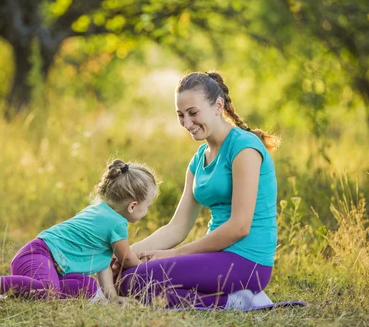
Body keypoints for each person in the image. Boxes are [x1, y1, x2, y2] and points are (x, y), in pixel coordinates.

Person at [115, 71, 280, 310]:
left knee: (135, 281)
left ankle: (237, 300)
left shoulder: (244, 147)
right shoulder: (198, 160)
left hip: (248, 261)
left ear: (218, 105)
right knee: (126, 276)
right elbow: (177, 227)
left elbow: (240, 226)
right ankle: (233, 299)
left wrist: (175, 255)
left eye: (193, 113)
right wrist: (126, 256)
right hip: (216, 257)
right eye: (181, 115)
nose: (187, 123)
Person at [0, 159, 158, 309]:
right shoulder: (117, 223)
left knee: (88, 287)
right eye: (147, 206)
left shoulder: (100, 210)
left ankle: (22, 291)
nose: (147, 211)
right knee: (48, 290)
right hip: (38, 255)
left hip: (46, 267)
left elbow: (104, 264)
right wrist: (150, 267)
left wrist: (112, 297)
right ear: (133, 206)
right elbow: (127, 260)